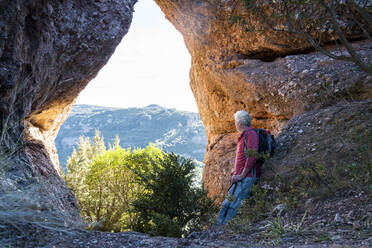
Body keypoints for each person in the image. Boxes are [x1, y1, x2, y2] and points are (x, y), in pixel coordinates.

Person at [217, 110, 261, 225]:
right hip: (240, 178)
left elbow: (252, 156)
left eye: (236, 121)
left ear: (239, 123)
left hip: (247, 177)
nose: (235, 124)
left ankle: (224, 233)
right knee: (226, 204)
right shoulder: (245, 135)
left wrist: (241, 175)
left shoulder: (251, 134)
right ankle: (217, 229)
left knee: (234, 207)